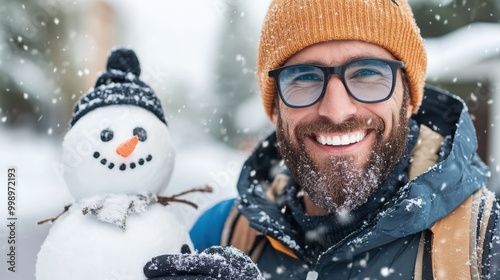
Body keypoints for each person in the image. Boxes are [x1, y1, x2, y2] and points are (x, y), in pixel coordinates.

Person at [143, 0, 500, 279]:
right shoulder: (218, 235)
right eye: (304, 77)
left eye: (367, 74)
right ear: (275, 109)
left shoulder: (485, 245)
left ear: (409, 99)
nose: (336, 110)